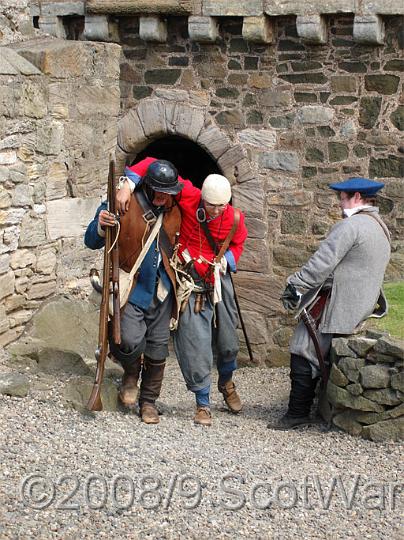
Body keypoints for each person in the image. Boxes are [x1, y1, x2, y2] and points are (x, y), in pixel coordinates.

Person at [117, 158, 248, 426]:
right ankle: (202, 403)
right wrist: (127, 185)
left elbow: (237, 244)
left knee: (228, 343)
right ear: (202, 199)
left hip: (218, 282)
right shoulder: (189, 196)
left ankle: (227, 382)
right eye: (210, 205)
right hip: (189, 282)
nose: (214, 211)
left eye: (220, 206)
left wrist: (228, 261)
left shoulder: (234, 218)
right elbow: (156, 165)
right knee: (194, 344)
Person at [274, 177, 391, 430]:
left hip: (337, 306)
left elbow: (320, 264)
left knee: (302, 349)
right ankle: (318, 407)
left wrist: (295, 285)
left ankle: (297, 413)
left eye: (343, 197)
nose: (340, 202)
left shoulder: (350, 227)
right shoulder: (380, 227)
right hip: (359, 306)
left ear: (357, 197)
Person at [85, 159, 183, 424]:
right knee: (127, 340)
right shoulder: (121, 204)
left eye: (168, 192)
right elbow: (90, 240)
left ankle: (148, 402)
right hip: (132, 289)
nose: (164, 197)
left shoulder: (176, 208)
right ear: (148, 187)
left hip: (163, 291)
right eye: (160, 191)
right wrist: (100, 224)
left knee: (159, 348)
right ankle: (131, 372)